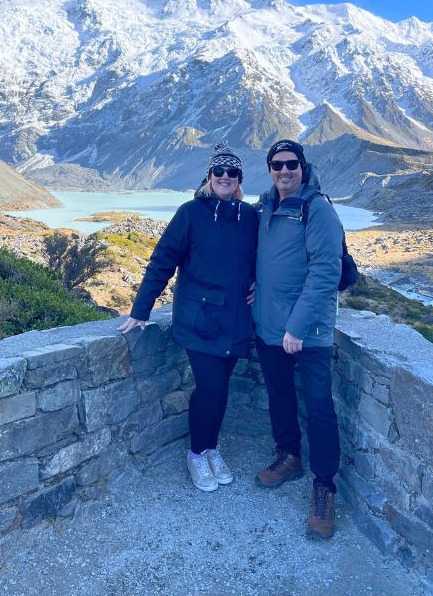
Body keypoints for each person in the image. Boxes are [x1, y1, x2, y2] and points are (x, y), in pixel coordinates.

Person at [119, 142, 257, 492]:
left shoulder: (250, 217)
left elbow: (263, 260)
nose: (225, 177)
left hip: (237, 320)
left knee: (221, 388)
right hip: (198, 319)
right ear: (209, 177)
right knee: (209, 387)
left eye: (231, 173)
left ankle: (212, 448)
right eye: (218, 172)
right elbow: (163, 260)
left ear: (239, 179)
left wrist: (261, 284)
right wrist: (141, 309)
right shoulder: (189, 213)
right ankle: (197, 453)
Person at [252, 139, 343, 539]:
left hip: (308, 332)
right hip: (269, 324)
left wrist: (298, 327)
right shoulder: (267, 207)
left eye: (291, 164)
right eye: (277, 165)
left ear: (303, 168)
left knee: (320, 406)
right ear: (269, 169)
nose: (284, 171)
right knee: (280, 394)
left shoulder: (317, 209)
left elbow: (326, 272)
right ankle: (288, 456)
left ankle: (324, 486)